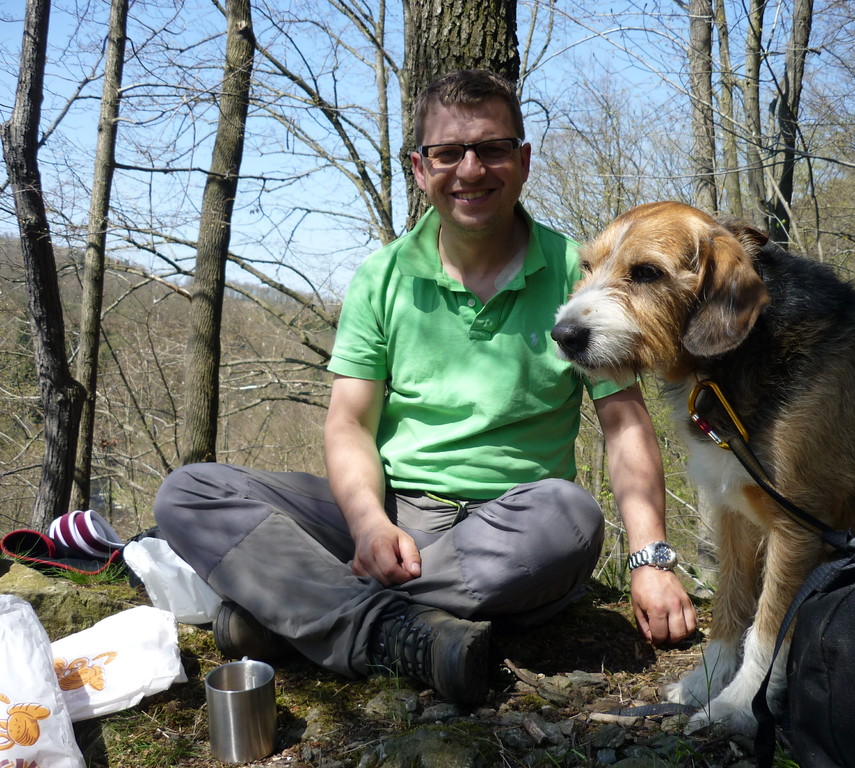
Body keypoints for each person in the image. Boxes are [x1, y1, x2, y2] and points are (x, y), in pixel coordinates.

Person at [153, 69, 696, 704]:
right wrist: (367, 525)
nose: (470, 170)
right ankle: (379, 628)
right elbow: (349, 423)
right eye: (448, 153)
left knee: (571, 518)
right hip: (390, 508)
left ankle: (294, 615)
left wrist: (650, 560)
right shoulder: (382, 278)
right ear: (420, 167)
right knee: (189, 493)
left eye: (491, 148)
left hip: (509, 530)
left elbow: (625, 424)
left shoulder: (580, 271)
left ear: (522, 161)